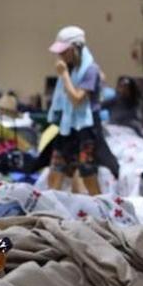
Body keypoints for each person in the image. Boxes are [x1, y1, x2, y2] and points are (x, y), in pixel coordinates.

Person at [46, 25, 105, 194]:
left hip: (86, 130)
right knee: (56, 171)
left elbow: (77, 99)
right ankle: (50, 211)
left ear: (76, 49)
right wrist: (65, 74)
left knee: (87, 174)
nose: (60, 56)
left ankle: (102, 209)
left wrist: (63, 76)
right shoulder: (70, 69)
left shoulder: (90, 70)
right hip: (67, 127)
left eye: (64, 51)